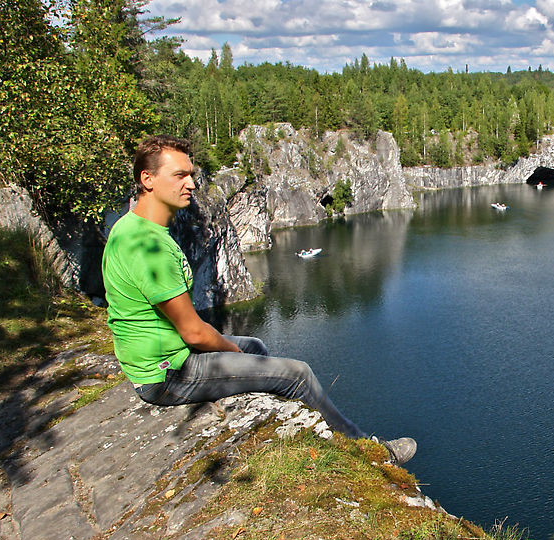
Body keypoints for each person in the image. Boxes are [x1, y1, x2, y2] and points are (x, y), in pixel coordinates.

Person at [102, 135, 416, 465]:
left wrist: (237, 351)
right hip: (166, 375)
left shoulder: (133, 228)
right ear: (147, 179)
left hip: (159, 357)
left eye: (191, 174)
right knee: (298, 373)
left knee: (253, 346)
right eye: (179, 175)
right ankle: (371, 453)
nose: (192, 184)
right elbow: (193, 332)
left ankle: (282, 420)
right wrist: (230, 351)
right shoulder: (148, 249)